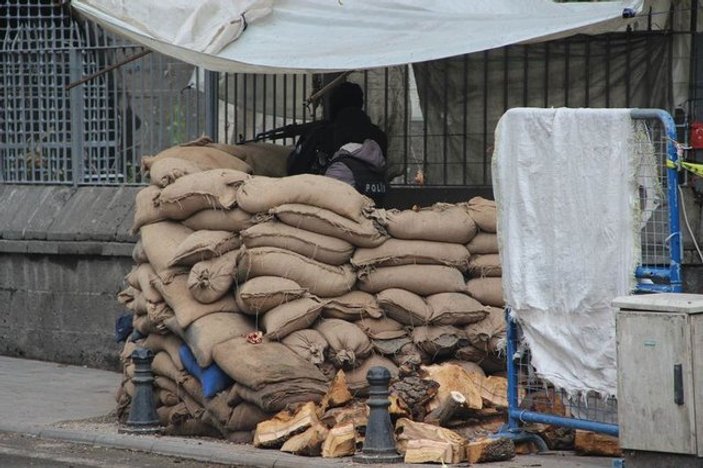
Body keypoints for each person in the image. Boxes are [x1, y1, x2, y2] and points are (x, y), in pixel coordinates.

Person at [287, 82, 388, 205]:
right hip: (375, 204)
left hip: (330, 204)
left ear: (332, 105)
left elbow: (295, 170)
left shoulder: (322, 133)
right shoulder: (379, 136)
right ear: (361, 103)